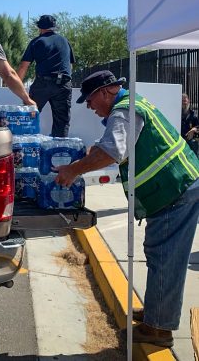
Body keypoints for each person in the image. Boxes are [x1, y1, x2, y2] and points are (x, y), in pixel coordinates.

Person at [53, 70, 199, 348]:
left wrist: (73, 170)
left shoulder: (124, 111)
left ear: (106, 92)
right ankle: (159, 312)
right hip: (176, 186)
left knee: (165, 257)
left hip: (175, 189)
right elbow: (118, 146)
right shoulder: (131, 103)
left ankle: (159, 329)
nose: (88, 105)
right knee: (160, 255)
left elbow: (112, 152)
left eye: (90, 99)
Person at [16, 15, 75, 137]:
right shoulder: (64, 41)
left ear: (40, 28)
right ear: (54, 28)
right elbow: (70, 65)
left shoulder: (36, 42)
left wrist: (15, 83)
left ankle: (25, 146)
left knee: (28, 116)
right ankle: (58, 151)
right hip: (64, 84)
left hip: (43, 83)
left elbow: (24, 66)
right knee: (62, 121)